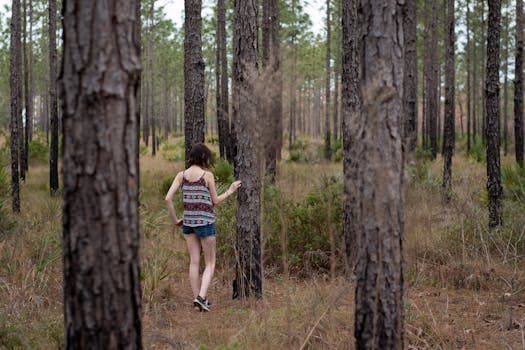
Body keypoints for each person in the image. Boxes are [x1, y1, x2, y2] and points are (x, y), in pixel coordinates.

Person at [165, 143, 241, 312]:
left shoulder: (181, 175)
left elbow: (168, 199)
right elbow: (215, 201)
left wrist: (176, 220)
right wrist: (230, 190)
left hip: (188, 223)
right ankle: (200, 297)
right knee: (210, 263)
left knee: (194, 262)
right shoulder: (207, 176)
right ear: (204, 158)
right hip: (206, 223)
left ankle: (199, 300)